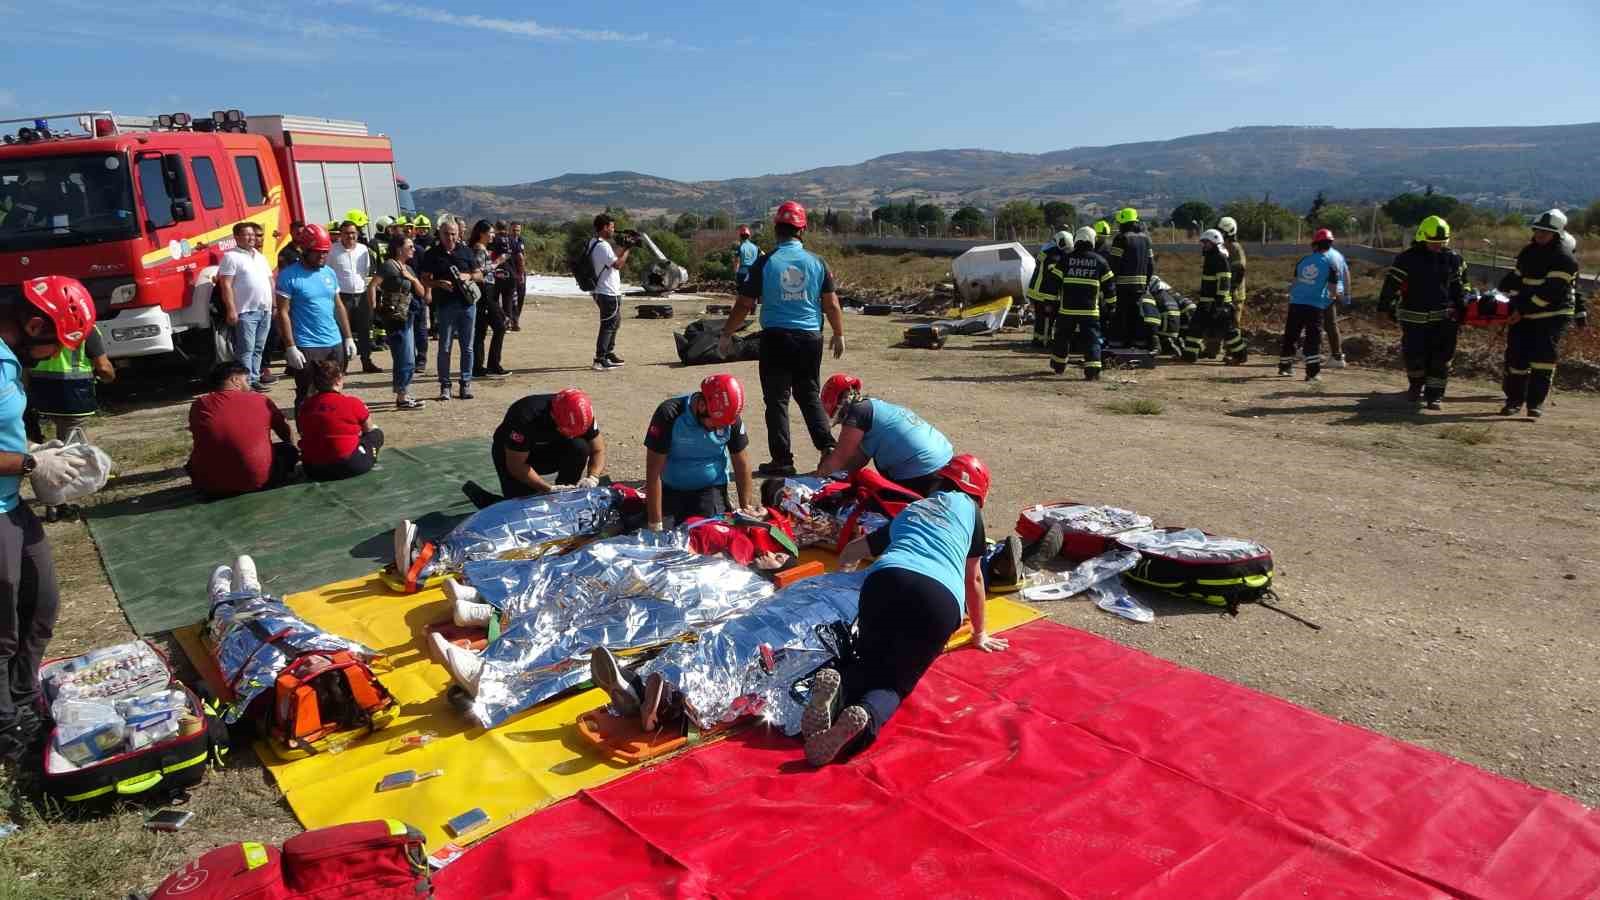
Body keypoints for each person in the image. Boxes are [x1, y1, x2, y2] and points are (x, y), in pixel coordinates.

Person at [807, 454, 1008, 766]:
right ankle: (860, 723)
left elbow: (852, 550)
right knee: (892, 683)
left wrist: (841, 587)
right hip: (937, 595)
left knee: (868, 659)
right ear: (978, 494)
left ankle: (840, 686)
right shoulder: (969, 511)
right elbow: (975, 577)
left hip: (885, 579)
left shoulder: (914, 510)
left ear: (940, 482)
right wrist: (979, 631)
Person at [0, 276, 97, 764]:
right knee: (3, 624)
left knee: (42, 603)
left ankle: (22, 698)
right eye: (53, 343)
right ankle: (5, 726)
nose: (54, 353)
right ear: (32, 323)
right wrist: (32, 464)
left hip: (9, 501)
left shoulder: (9, 357)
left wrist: (35, 448)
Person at [717, 201, 845, 477]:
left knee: (777, 401)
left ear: (777, 229)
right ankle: (828, 448)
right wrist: (838, 333)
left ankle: (782, 461)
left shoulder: (766, 262)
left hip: (776, 339)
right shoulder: (817, 262)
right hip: (810, 338)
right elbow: (831, 304)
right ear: (802, 230)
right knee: (809, 395)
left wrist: (727, 333)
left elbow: (744, 304)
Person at [460, 389, 607, 509]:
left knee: (580, 446)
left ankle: (565, 493)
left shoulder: (583, 415)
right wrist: (547, 489)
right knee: (523, 506)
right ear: (554, 416)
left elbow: (598, 450)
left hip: (550, 449)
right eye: (567, 431)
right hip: (513, 456)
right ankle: (490, 501)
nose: (570, 435)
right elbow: (517, 466)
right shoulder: (525, 417)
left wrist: (593, 477)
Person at [1498, 210, 1583, 419]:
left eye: (1546, 232)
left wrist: (1521, 310)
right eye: (1538, 230)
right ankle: (1513, 401)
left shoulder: (1565, 259)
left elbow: (1550, 293)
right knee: (1516, 359)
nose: (1541, 235)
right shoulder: (1528, 252)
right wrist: (1506, 297)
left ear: (1557, 234)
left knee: (1542, 360)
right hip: (1524, 313)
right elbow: (1515, 280)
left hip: (1552, 315)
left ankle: (1535, 404)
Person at [643, 374, 757, 529]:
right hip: (671, 489)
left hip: (710, 490)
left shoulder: (729, 418)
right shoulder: (669, 414)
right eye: (715, 424)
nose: (718, 428)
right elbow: (653, 472)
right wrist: (655, 524)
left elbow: (741, 464)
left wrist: (746, 511)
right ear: (702, 406)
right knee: (666, 538)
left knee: (711, 534)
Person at [1379, 216, 1467, 410]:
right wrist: (1385, 307)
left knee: (1440, 359)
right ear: (1422, 237)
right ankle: (1415, 386)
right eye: (1433, 242)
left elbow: (1459, 286)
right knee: (1414, 356)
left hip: (1443, 319)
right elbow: (1391, 284)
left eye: (1441, 243)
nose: (1437, 246)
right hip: (1413, 318)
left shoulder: (1452, 259)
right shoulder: (1407, 259)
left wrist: (1462, 309)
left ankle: (1434, 396)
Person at [815, 374, 954, 495]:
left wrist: (814, 481)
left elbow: (839, 458)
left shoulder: (858, 413)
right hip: (944, 460)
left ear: (836, 405)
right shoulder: (874, 407)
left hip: (922, 470)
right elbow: (857, 461)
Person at [186, 360, 298, 498]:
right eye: (246, 380)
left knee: (193, 461)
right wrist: (292, 446)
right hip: (259, 481)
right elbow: (284, 430)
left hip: (210, 486)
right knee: (288, 451)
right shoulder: (260, 399)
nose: (248, 384)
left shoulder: (200, 405)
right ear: (235, 380)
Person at [274, 224, 356, 410]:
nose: (322, 256)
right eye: (318, 252)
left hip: (334, 343)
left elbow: (338, 305)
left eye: (325, 252)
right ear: (305, 250)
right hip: (308, 346)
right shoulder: (288, 276)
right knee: (307, 396)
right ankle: (307, 434)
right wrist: (290, 347)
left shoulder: (329, 273)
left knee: (335, 392)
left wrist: (348, 337)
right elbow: (283, 312)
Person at [417, 219, 481, 401]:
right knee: (445, 347)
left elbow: (480, 275)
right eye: (446, 234)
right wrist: (438, 283)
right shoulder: (432, 254)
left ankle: (465, 383)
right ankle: (445, 385)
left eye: (453, 233)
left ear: (459, 233)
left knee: (467, 347)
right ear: (440, 233)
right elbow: (424, 279)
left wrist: (468, 275)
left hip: (468, 305)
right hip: (445, 306)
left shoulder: (466, 251)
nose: (450, 237)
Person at [296, 361, 384, 481]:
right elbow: (369, 429)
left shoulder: (304, 406)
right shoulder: (352, 403)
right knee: (376, 434)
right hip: (348, 465)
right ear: (338, 380)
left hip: (312, 469)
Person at [1049, 226, 1116, 380]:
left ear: (1076, 240)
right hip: (1090, 311)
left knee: (1062, 337)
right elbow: (1110, 286)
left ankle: (1058, 366)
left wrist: (1051, 302)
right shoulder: (1100, 261)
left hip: (1067, 310)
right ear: (1092, 241)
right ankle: (1092, 371)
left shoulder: (1066, 259)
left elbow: (1054, 283)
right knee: (1091, 339)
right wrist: (1112, 305)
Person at [29, 320, 114, 442]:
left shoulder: (37, 326)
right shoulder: (86, 328)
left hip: (40, 390)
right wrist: (110, 377)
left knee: (32, 445)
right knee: (73, 448)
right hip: (74, 395)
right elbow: (104, 368)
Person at [1277, 229, 1344, 382]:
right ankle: (1312, 374)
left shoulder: (1303, 261)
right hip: (1315, 307)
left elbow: (1294, 283)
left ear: (1315, 245)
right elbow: (1333, 291)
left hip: (1296, 303)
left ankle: (1285, 367)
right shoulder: (1331, 265)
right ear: (1329, 245)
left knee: (1291, 335)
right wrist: (1333, 297)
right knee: (1313, 339)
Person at [216, 222, 275, 391]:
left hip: (264, 309)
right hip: (245, 311)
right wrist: (231, 309)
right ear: (236, 237)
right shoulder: (231, 257)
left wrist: (274, 305)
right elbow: (225, 284)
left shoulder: (260, 256)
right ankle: (245, 382)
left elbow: (270, 281)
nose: (251, 238)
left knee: (258, 347)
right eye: (247, 235)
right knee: (246, 349)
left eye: (253, 235)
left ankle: (255, 378)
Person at [374, 234, 428, 410]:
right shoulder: (389, 266)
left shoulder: (408, 268)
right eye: (409, 246)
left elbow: (421, 293)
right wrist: (375, 309)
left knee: (409, 358)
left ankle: (404, 394)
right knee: (403, 358)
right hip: (395, 319)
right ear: (399, 249)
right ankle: (402, 397)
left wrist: (410, 278)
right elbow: (372, 286)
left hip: (408, 317)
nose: (413, 249)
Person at [1182, 229, 1247, 364]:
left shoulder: (1219, 258)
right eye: (1203, 243)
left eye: (1206, 243)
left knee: (1229, 331)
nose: (1204, 246)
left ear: (1215, 243)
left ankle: (1240, 356)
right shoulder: (1211, 257)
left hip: (1218, 304)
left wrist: (1219, 304)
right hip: (1207, 303)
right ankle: (1189, 356)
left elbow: (1224, 283)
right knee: (1195, 328)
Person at [329, 220, 379, 374]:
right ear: (340, 235)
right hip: (342, 296)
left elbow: (367, 272)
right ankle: (341, 365)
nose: (350, 236)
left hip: (362, 294)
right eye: (347, 233)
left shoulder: (364, 250)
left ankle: (366, 361)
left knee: (365, 329)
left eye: (353, 233)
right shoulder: (332, 251)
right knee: (342, 330)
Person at [1106, 208, 1158, 349]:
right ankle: (1138, 343)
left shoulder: (1121, 238)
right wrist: (1146, 283)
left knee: (1121, 314)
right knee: (1137, 314)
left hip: (1122, 285)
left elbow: (1113, 263)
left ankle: (1118, 344)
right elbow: (1151, 264)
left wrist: (1110, 283)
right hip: (1140, 286)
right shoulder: (1146, 239)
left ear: (1123, 222)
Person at [588, 214, 631, 371]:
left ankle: (608, 353)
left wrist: (623, 246)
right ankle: (599, 358)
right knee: (608, 324)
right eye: (612, 227)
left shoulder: (595, 243)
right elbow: (618, 264)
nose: (613, 230)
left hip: (605, 290)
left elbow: (612, 258)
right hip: (606, 291)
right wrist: (628, 248)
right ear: (605, 227)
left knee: (615, 322)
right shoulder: (602, 246)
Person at [469, 220, 509, 379]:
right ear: (482, 233)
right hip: (485, 292)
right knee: (499, 326)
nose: (493, 235)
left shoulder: (482, 248)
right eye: (490, 232)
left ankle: (479, 366)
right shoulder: (479, 249)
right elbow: (479, 272)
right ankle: (492, 364)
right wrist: (498, 262)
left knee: (481, 330)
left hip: (486, 291)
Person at [1025, 231, 1070, 349]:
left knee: (1040, 318)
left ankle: (1037, 339)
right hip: (1044, 293)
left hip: (1035, 291)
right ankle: (1045, 341)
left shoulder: (1047, 250)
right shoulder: (1055, 256)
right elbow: (1053, 278)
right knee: (1047, 318)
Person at [1321, 236, 1351, 369]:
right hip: (1335, 293)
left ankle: (1309, 352)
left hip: (1323, 293)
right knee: (1330, 325)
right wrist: (1347, 294)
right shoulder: (1338, 255)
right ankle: (1337, 356)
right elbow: (1346, 274)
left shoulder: (1321, 256)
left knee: (1313, 322)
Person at [504, 221, 528, 330]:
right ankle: (512, 321)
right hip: (511, 273)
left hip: (521, 272)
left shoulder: (521, 241)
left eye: (518, 230)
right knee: (511, 297)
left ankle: (516, 318)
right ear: (509, 230)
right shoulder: (506, 241)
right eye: (514, 230)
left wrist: (522, 272)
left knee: (521, 296)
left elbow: (523, 256)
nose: (516, 232)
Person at [733, 225, 759, 289]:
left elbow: (737, 262)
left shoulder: (740, 247)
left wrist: (735, 274)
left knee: (741, 294)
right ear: (749, 236)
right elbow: (763, 256)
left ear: (740, 236)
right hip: (753, 273)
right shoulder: (755, 247)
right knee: (751, 295)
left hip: (742, 273)